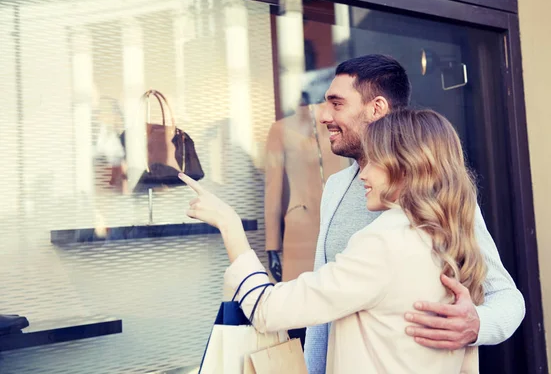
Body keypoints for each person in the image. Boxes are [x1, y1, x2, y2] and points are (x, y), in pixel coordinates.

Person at [179, 109, 487, 373]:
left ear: (406, 168)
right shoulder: (452, 239)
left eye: (373, 161)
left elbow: (268, 310)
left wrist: (229, 224)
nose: (362, 174)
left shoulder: (383, 244)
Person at [302, 54, 525, 374]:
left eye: (337, 104)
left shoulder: (437, 189)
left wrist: (478, 324)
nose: (324, 116)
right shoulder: (336, 187)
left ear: (376, 108)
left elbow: (506, 297)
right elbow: (323, 310)